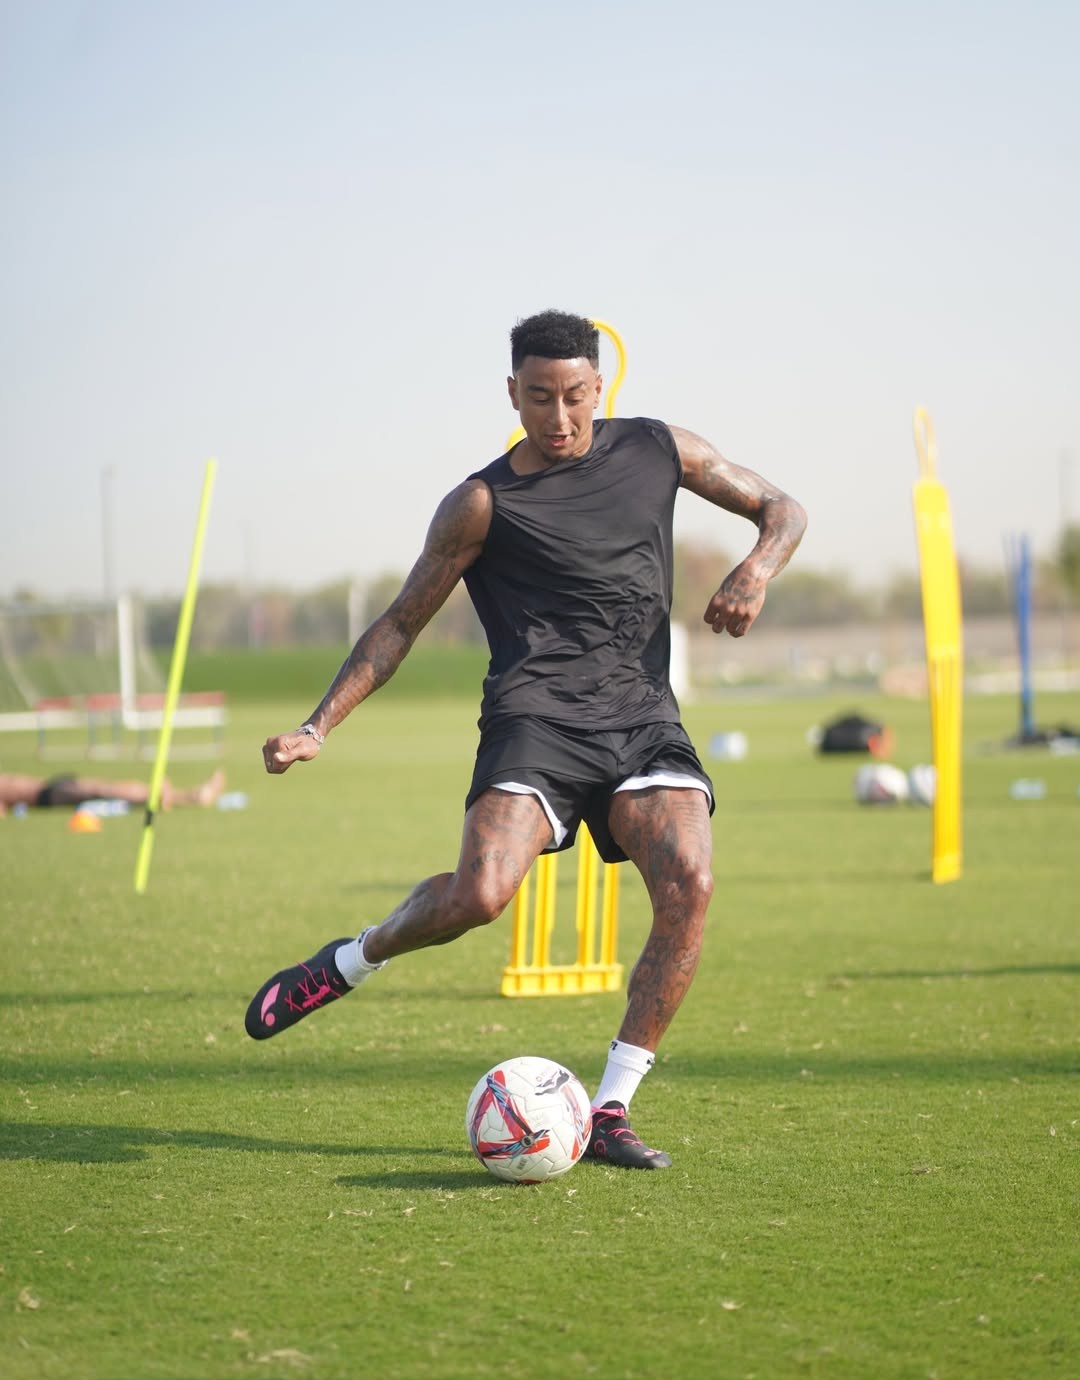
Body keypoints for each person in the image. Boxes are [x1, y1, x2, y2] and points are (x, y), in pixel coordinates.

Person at [245, 309, 807, 1170]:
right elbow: (398, 624)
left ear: (599, 387)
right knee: (479, 897)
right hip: (534, 720)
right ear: (512, 393)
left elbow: (782, 507)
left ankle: (611, 1109)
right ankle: (351, 961)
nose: (559, 418)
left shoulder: (660, 449)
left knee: (690, 880)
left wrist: (755, 567)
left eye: (576, 397)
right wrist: (318, 725)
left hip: (640, 715)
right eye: (538, 398)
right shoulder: (480, 503)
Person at [0, 767, 226, 816]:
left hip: (46, 787)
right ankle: (188, 796)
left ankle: (190, 796)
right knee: (102, 790)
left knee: (103, 787)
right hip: (44, 796)